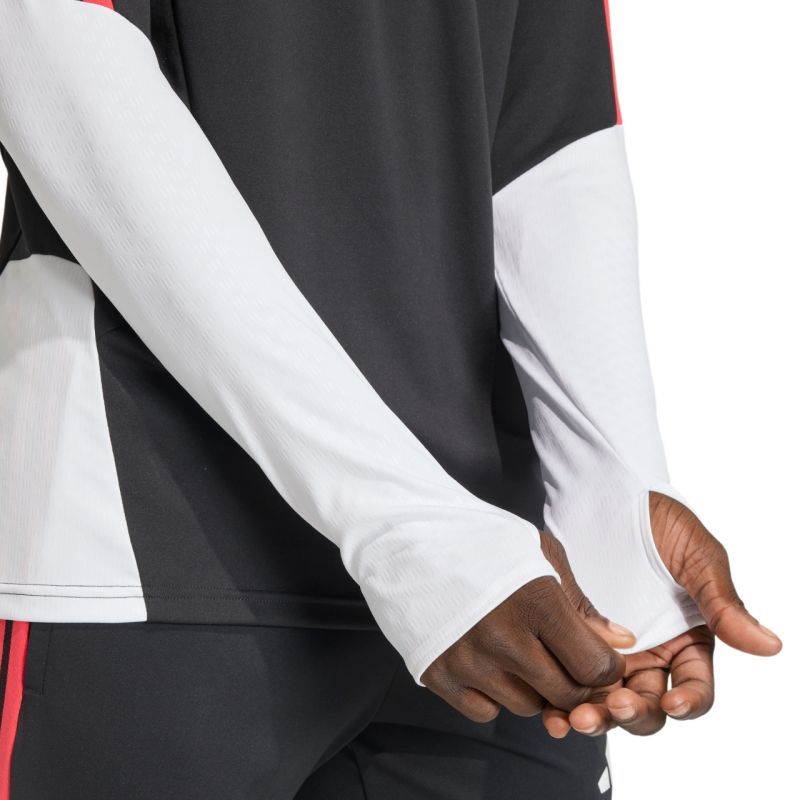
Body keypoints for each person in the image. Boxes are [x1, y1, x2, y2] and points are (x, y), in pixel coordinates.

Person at [0, 0, 781, 798]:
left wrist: (606, 493)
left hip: (497, 594)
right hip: (154, 543)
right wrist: (411, 530)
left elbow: (549, 127)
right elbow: (55, 56)